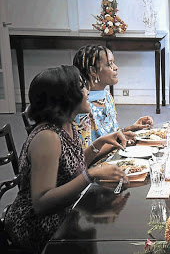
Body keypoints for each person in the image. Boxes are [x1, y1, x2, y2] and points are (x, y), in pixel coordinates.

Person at [4, 66, 129, 253]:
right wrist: (91, 174)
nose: (87, 91)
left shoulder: (67, 124)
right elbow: (41, 202)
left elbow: (72, 166)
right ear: (64, 97)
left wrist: (100, 143)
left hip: (64, 212)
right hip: (38, 227)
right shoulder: (47, 137)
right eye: (81, 87)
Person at [73, 45, 153, 153]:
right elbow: (83, 158)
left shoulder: (107, 97)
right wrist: (120, 141)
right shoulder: (82, 108)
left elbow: (110, 134)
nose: (116, 67)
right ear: (93, 71)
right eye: (109, 64)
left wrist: (130, 129)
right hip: (98, 167)